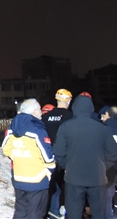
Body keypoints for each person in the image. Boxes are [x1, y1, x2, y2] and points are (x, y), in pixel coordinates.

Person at [54, 93, 117, 219]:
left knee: (73, 214)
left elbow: (58, 152)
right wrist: (103, 166)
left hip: (73, 177)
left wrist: (66, 166)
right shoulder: (102, 128)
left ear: (74, 107)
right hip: (97, 177)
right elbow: (113, 154)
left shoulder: (65, 127)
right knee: (99, 214)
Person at [1, 99, 55, 219]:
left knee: (20, 212)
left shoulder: (12, 128)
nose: (41, 112)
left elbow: (5, 148)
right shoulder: (38, 130)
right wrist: (49, 171)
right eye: (39, 109)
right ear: (34, 111)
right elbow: (48, 157)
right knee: (36, 214)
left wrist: (18, 158)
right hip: (37, 180)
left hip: (19, 177)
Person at [42, 88, 74, 219]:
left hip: (48, 157)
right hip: (66, 158)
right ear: (69, 101)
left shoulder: (45, 117)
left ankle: (51, 211)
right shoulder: (70, 117)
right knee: (67, 187)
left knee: (52, 186)